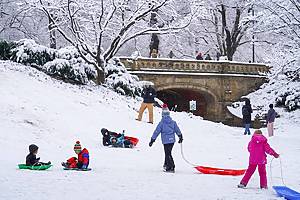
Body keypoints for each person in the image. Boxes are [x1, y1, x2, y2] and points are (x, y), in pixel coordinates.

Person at [149, 104, 183, 173]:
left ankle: (171, 166)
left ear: (162, 115)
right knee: (168, 152)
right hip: (172, 141)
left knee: (168, 153)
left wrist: (152, 140)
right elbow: (177, 130)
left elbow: (156, 132)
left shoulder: (161, 123)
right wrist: (180, 136)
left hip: (166, 141)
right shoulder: (173, 122)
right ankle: (166, 164)